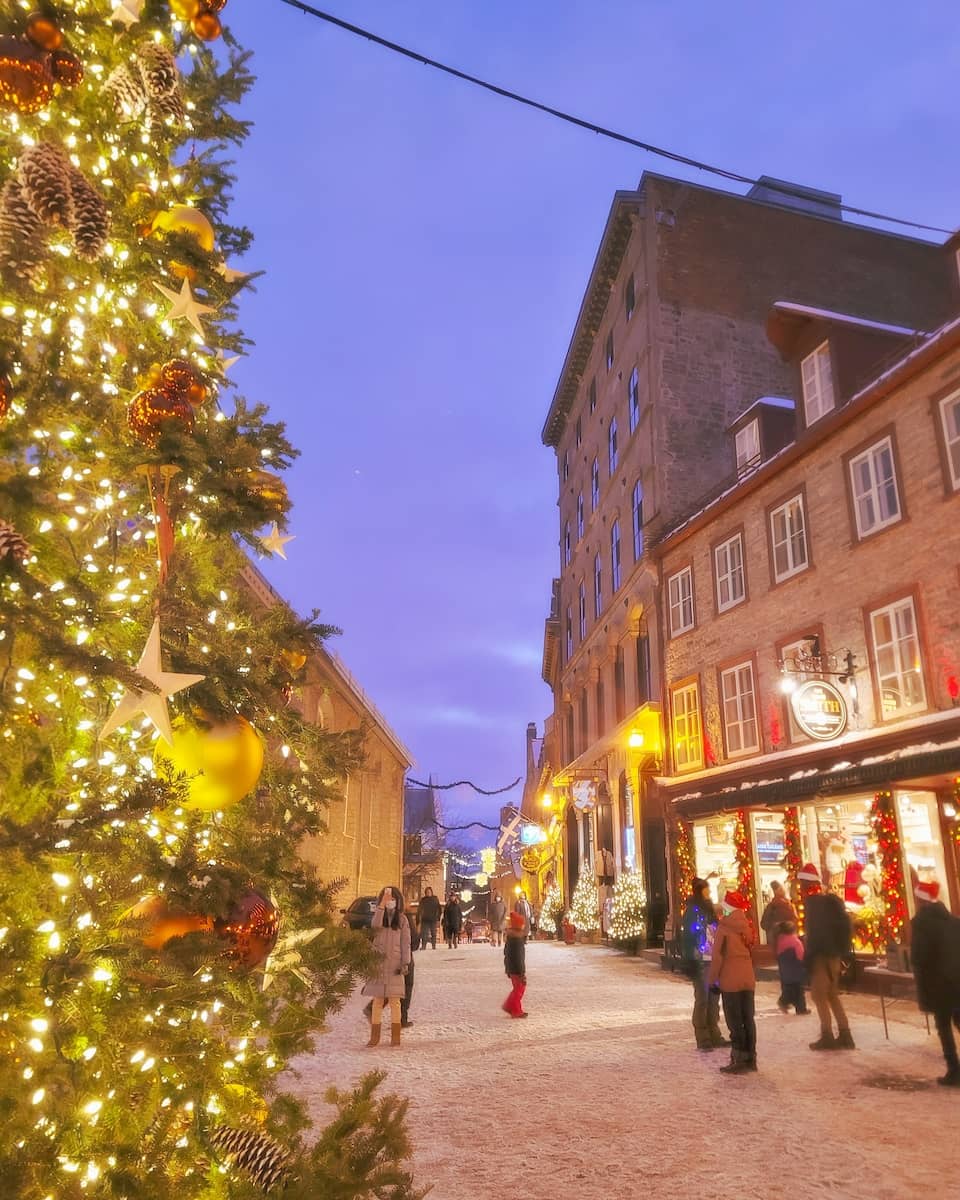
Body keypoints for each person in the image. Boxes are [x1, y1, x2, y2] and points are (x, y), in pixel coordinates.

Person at [798, 862, 855, 1051]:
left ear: (806, 883)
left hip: (821, 957)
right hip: (834, 955)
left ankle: (827, 1035)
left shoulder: (813, 904)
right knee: (832, 995)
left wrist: (810, 957)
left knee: (819, 995)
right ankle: (845, 1034)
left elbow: (816, 934)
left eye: (801, 883)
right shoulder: (826, 901)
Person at [911, 880, 960, 1086]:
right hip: (958, 978)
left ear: (920, 901)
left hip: (938, 983)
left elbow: (918, 957)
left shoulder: (922, 924)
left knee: (944, 1025)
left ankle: (954, 1070)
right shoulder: (953, 920)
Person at [707, 889, 757, 1074]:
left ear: (727, 908)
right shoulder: (746, 926)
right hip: (747, 978)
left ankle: (739, 1059)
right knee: (748, 1019)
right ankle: (751, 1058)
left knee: (735, 1022)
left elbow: (718, 957)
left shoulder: (724, 927)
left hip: (730, 980)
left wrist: (712, 981)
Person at [680, 877, 727, 1052]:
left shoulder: (710, 910)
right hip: (700, 961)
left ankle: (715, 1034)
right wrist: (690, 958)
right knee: (703, 999)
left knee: (714, 999)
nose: (709, 892)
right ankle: (703, 1037)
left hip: (713, 960)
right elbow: (688, 938)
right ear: (700, 890)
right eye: (707, 889)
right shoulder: (692, 911)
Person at [361, 886, 411, 1048]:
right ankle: (374, 1037)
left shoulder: (402, 920)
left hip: (395, 965)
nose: (390, 901)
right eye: (387, 898)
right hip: (379, 964)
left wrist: (405, 963)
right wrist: (381, 906)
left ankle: (395, 1037)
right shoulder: (378, 916)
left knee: (395, 1001)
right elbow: (374, 927)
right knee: (377, 1000)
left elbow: (406, 943)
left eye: (392, 899)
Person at [761, 880, 798, 1007]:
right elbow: (764, 923)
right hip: (785, 943)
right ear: (777, 890)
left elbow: (764, 924)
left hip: (784, 943)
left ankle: (789, 999)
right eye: (781, 888)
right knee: (788, 972)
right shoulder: (775, 906)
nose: (783, 889)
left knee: (787, 971)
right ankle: (786, 1000)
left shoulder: (784, 903)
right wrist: (777, 929)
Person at [775, 920, 808, 1015]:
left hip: (786, 970)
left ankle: (787, 1003)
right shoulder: (795, 941)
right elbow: (800, 956)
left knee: (790, 989)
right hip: (796, 969)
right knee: (799, 990)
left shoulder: (780, 940)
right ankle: (799, 1008)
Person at [502, 910, 528, 1017]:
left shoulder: (512, 938)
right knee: (519, 989)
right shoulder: (517, 940)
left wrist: (508, 968)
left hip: (512, 968)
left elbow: (506, 954)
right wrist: (522, 972)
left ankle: (513, 1007)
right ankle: (512, 1008)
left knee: (517, 988)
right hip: (516, 969)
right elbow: (519, 958)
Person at [418, 886, 441, 950]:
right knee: (424, 934)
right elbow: (419, 909)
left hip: (433, 919)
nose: (428, 893)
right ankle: (423, 946)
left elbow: (439, 909)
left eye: (429, 892)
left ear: (431, 892)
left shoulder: (435, 899)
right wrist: (418, 918)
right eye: (427, 892)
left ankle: (433, 946)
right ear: (425, 893)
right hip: (425, 919)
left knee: (433, 933)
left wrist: (438, 918)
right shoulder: (423, 900)